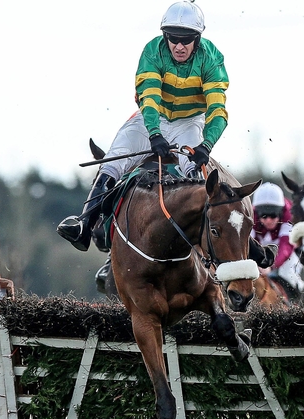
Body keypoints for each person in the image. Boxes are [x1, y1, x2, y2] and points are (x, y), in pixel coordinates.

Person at [57, 0, 228, 252]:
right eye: (173, 38)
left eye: (186, 39)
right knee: (113, 160)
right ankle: (84, 224)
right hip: (151, 117)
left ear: (198, 38)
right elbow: (149, 100)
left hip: (189, 122)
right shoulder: (152, 51)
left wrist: (206, 145)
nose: (179, 46)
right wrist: (155, 133)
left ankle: (211, 239)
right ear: (165, 36)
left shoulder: (212, 58)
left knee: (194, 170)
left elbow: (218, 110)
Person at [251, 182, 303, 301]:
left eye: (273, 215)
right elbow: (248, 244)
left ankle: (297, 302)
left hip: (286, 250)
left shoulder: (289, 215)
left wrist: (271, 265)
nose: (268, 220)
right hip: (260, 247)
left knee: (289, 274)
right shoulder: (251, 215)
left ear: (281, 211)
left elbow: (286, 246)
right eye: (263, 215)